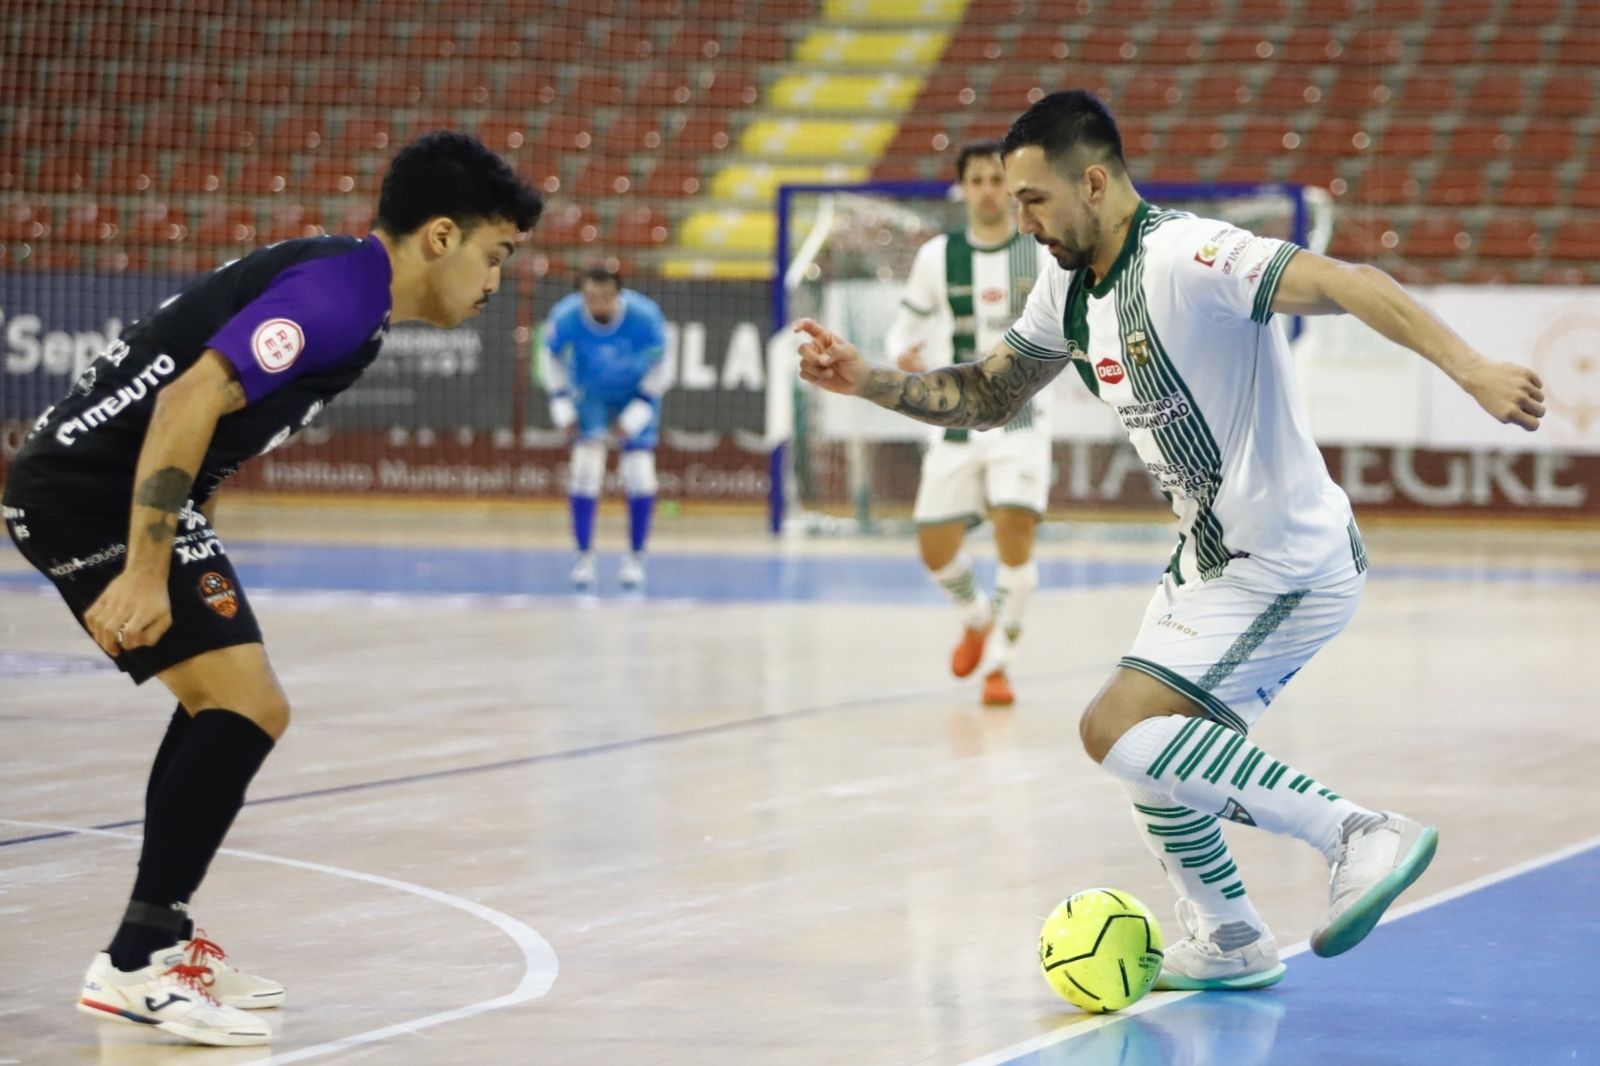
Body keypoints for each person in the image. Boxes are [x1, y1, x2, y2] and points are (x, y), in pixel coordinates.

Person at [797, 90, 1544, 991]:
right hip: (1209, 564)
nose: (1019, 216)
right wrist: (870, 379)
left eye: (1035, 198)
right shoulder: (1067, 281)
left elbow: (1354, 284)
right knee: (1149, 757)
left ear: (1097, 183)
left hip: (1288, 566)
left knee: (1114, 728)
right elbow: (993, 395)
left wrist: (1473, 370)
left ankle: (1359, 833)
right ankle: (1230, 937)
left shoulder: (1189, 255)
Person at [2, 130, 542, 1046]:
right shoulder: (339, 297)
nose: (497, 282)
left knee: (237, 704)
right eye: (496, 256)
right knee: (246, 708)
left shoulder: (352, 297)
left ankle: (156, 939)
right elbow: (183, 403)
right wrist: (145, 568)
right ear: (441, 238)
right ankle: (136, 962)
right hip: (87, 496)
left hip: (105, 487)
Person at [884, 140, 1056, 708]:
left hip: (1023, 418)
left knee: (1015, 537)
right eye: (976, 179)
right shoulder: (938, 256)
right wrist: (901, 355)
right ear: (963, 189)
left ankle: (999, 667)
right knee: (934, 547)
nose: (987, 189)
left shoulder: (1042, 251)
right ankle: (976, 617)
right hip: (955, 419)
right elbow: (904, 327)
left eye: (995, 179)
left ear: (1010, 188)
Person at [540, 266, 669, 591]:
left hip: (634, 393)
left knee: (640, 474)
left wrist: (642, 404)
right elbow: (550, 357)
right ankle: (584, 557)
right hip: (590, 396)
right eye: (590, 297)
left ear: (618, 296)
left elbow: (663, 363)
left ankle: (636, 557)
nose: (597, 305)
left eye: (605, 298)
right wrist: (560, 400)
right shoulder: (566, 316)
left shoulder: (645, 316)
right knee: (585, 471)